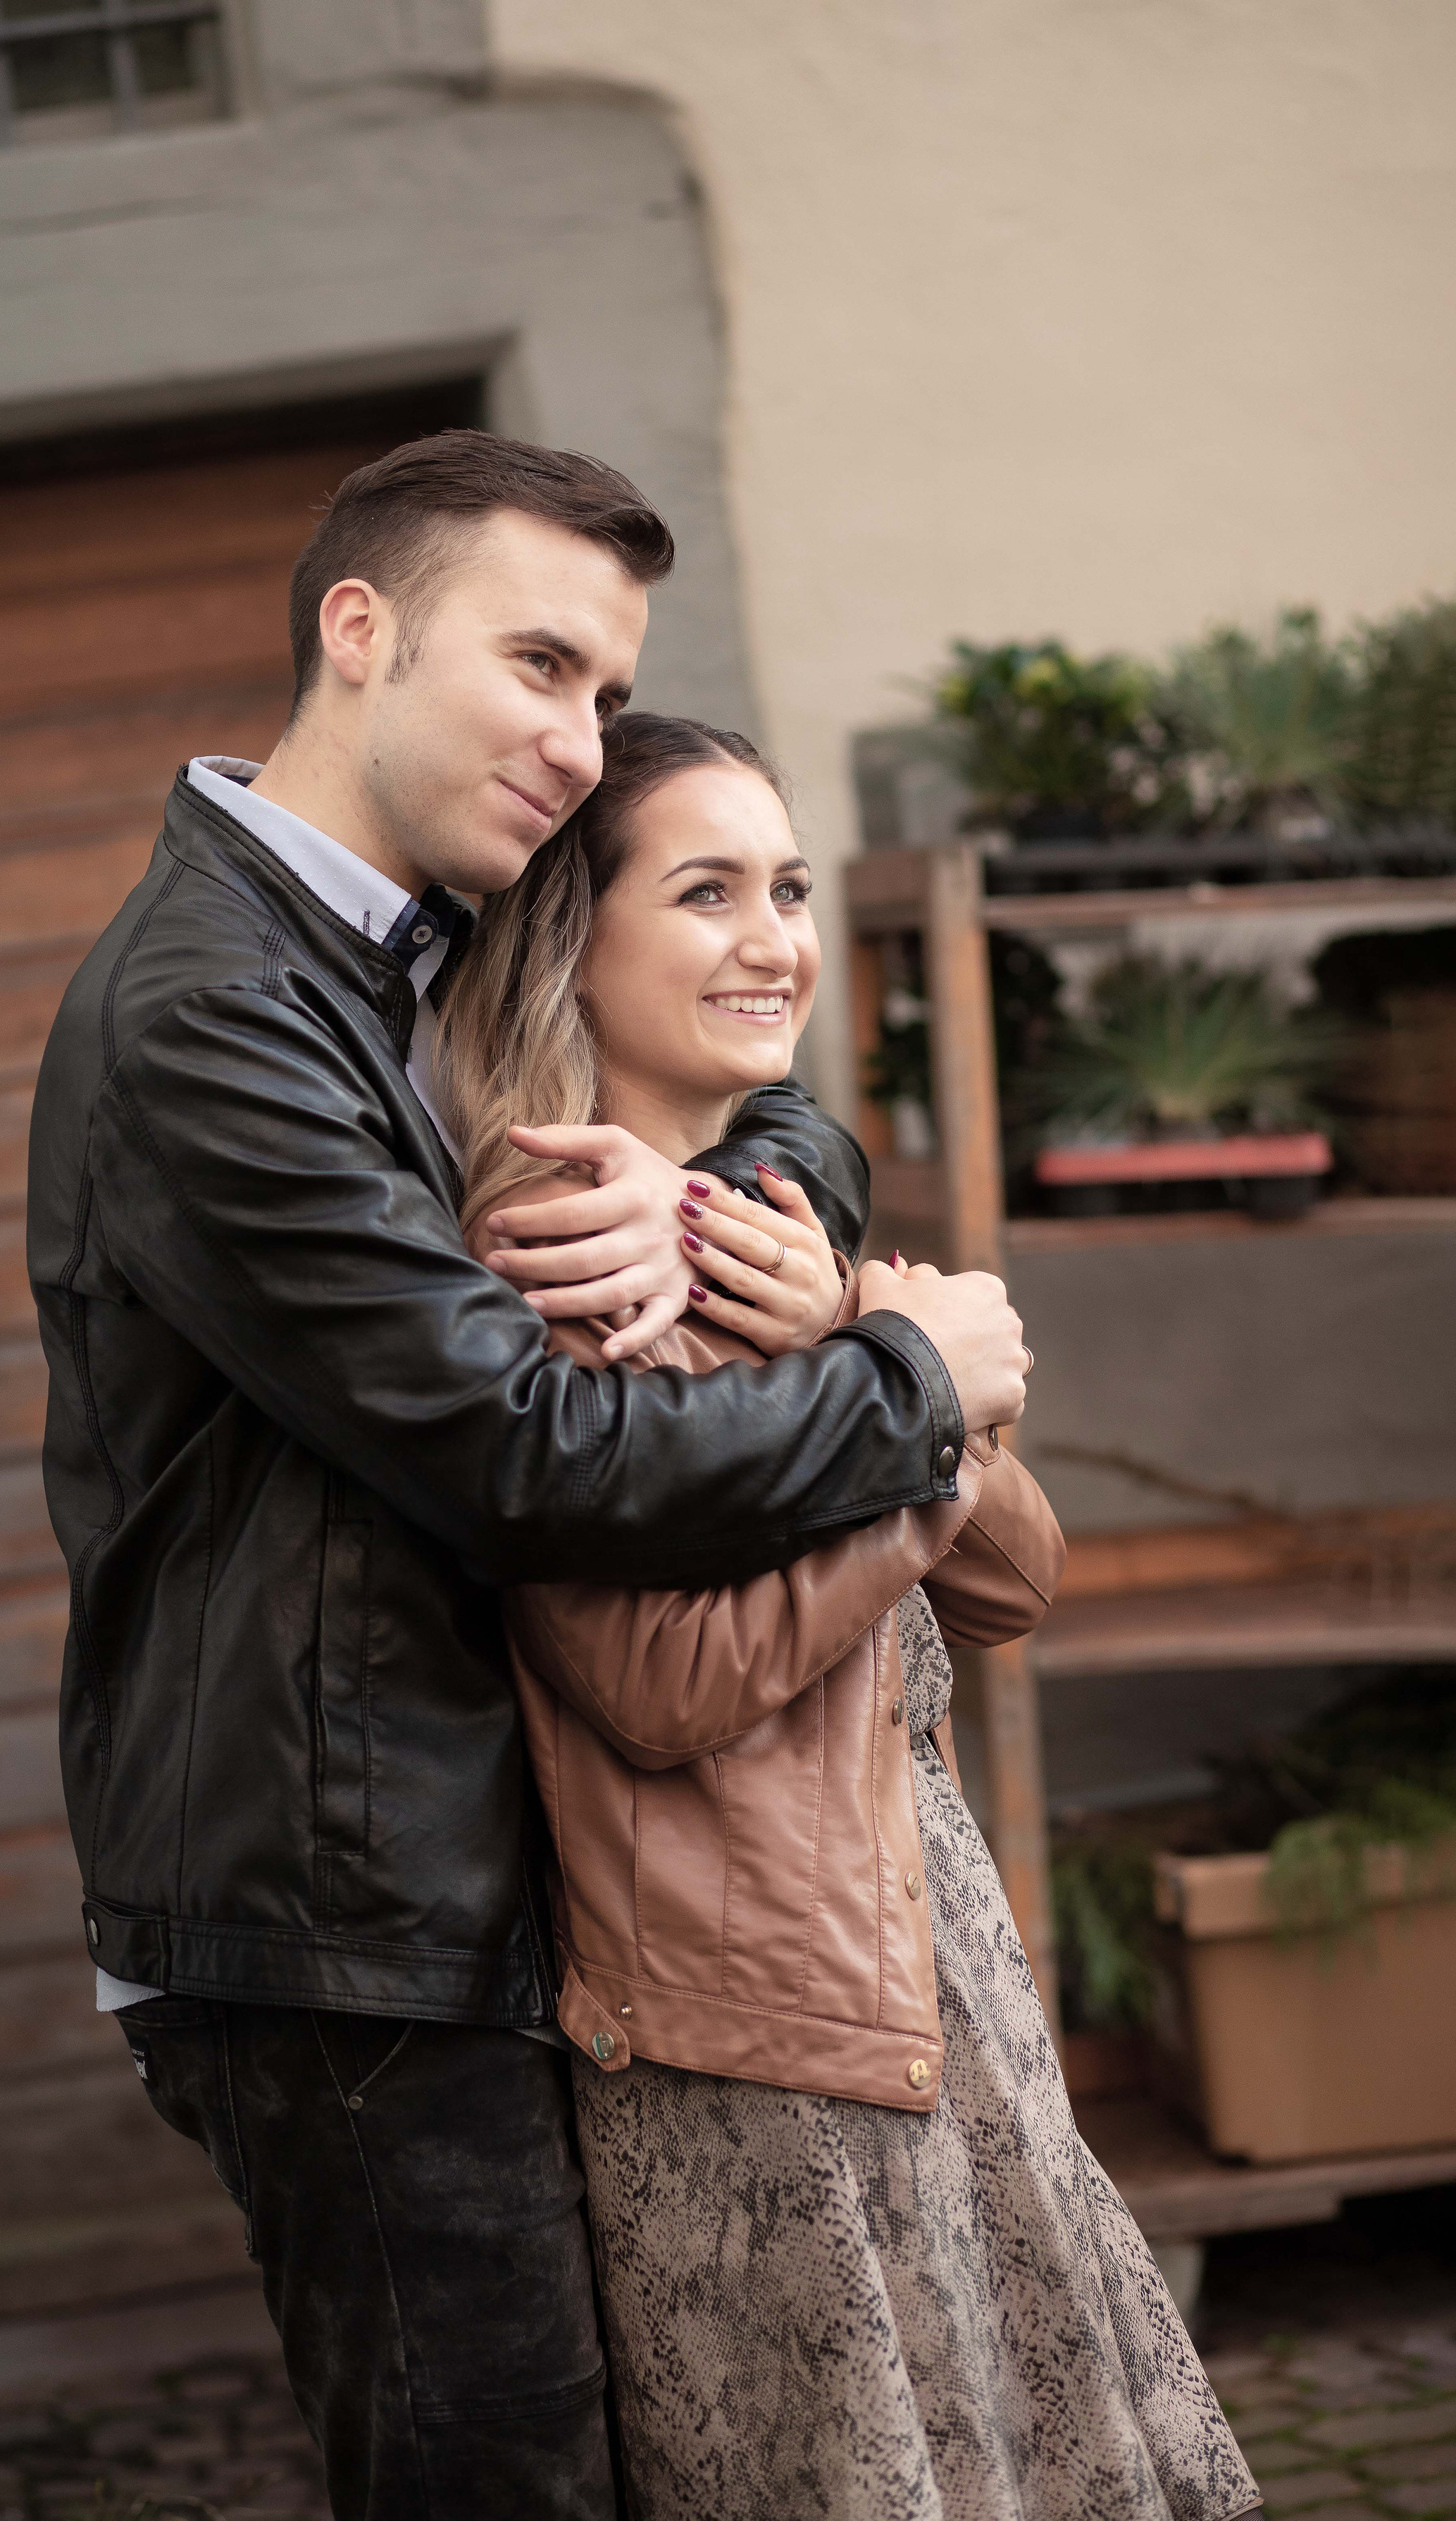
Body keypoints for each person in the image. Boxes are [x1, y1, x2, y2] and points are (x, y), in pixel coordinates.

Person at [27, 432, 1031, 2520]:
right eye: (542, 666)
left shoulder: (392, 940)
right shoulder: (212, 1011)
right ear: (361, 628)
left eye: (605, 690)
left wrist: (754, 1201)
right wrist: (914, 1382)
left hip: (466, 1878)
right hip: (338, 1917)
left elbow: (702, 1056)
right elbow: (527, 1454)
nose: (580, 741)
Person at [441, 709, 1261, 2521]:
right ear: (571, 937)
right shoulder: (560, 1269)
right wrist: (912, 1392)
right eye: (707, 890)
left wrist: (865, 1362)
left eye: (790, 888)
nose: (774, 940)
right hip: (750, 2040)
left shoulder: (760, 1221)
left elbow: (1015, 1585)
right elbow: (655, 1688)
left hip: (920, 1952)